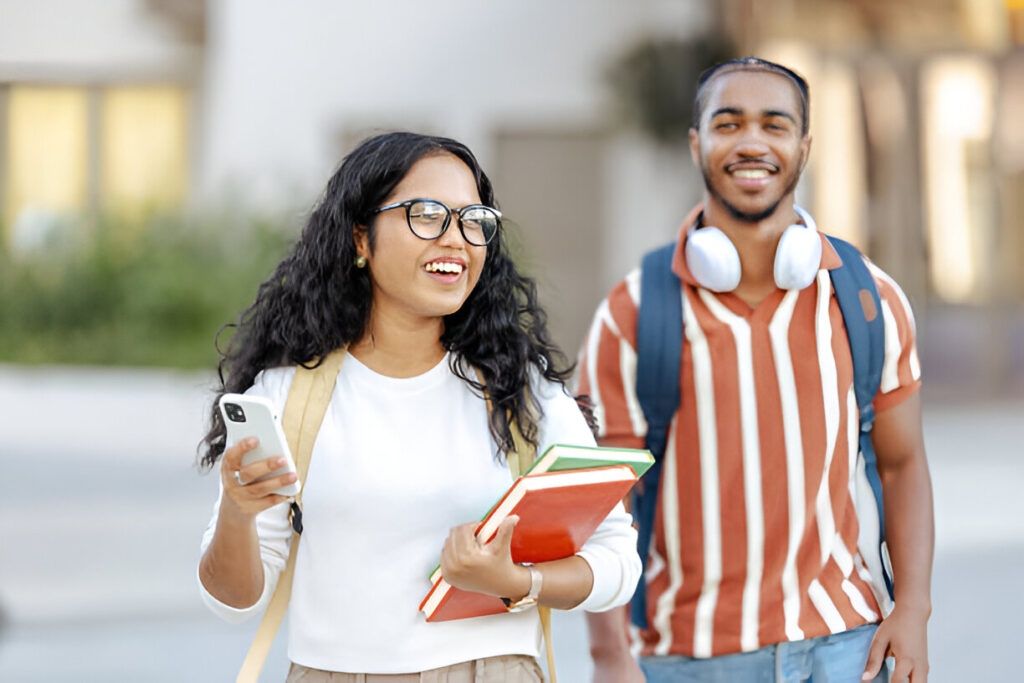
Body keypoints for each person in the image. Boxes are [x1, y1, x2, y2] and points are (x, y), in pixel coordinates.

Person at [196, 131, 641, 682]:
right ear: (361, 239)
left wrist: (516, 582)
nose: (455, 239)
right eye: (426, 214)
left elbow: (618, 562)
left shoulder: (521, 395)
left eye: (473, 219)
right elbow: (232, 602)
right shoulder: (289, 396)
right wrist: (238, 514)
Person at [579, 58, 933, 682]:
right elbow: (604, 499)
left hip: (848, 645)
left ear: (803, 147)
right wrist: (610, 657)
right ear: (697, 143)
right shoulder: (634, 312)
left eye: (774, 125)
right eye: (728, 123)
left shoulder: (867, 298)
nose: (751, 142)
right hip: (689, 658)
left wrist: (913, 612)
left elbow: (903, 465)